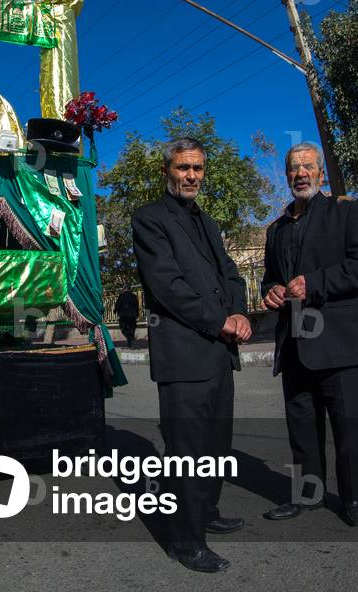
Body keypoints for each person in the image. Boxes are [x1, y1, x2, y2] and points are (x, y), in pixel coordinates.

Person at [132, 137, 251, 573]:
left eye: (198, 168)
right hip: (183, 357)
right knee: (187, 450)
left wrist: (238, 312)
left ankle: (208, 512)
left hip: (219, 353)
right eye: (184, 168)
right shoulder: (149, 219)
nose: (191, 176)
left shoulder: (209, 223)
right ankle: (185, 541)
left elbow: (232, 274)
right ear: (167, 170)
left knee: (216, 444)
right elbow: (168, 287)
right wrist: (219, 320)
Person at [261, 141, 358, 527]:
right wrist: (272, 291)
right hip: (295, 343)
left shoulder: (346, 212)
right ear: (287, 176)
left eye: (307, 166)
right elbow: (270, 278)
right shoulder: (276, 229)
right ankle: (308, 495)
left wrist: (313, 283)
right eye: (293, 168)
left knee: (349, 425)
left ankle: (354, 496)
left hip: (341, 342)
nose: (300, 174)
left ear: (321, 173)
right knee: (302, 427)